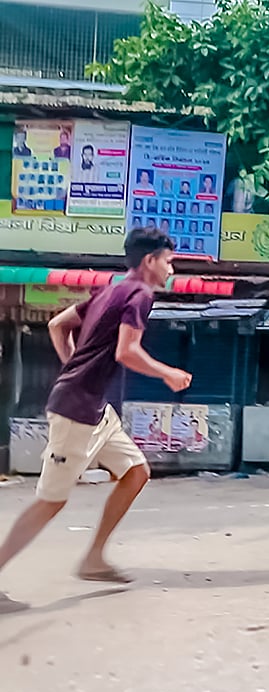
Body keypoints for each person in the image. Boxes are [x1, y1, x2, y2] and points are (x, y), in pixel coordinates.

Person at [0, 228, 192, 613]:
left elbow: (58, 325)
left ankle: (94, 559)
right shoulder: (139, 294)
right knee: (50, 502)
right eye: (168, 261)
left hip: (97, 409)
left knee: (136, 471)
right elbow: (127, 351)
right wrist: (168, 373)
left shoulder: (110, 290)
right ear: (150, 261)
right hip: (76, 410)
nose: (171, 270)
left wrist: (73, 366)